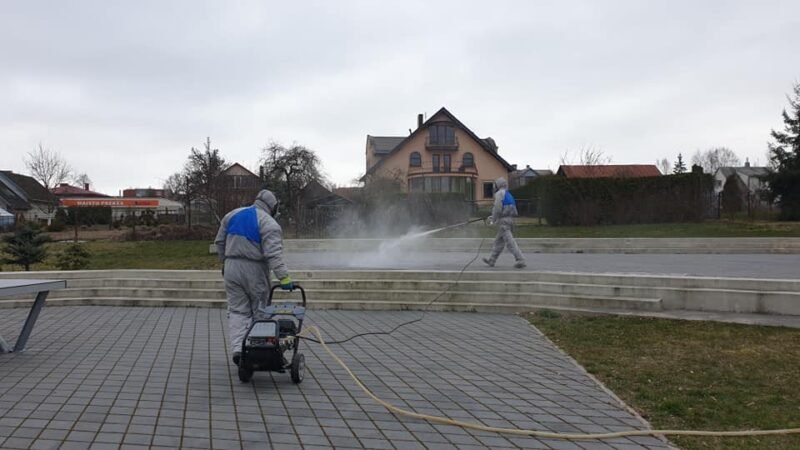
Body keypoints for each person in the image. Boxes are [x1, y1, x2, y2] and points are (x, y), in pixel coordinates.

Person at [215, 189, 294, 366]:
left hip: (231, 267)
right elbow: (274, 254)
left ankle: (238, 350)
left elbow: (219, 242)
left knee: (237, 311)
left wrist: (224, 261)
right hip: (255, 270)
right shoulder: (269, 223)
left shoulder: (232, 215)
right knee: (260, 311)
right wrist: (284, 278)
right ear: (273, 207)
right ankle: (258, 350)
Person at [483, 177, 526, 269]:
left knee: (510, 242)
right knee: (498, 242)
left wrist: (493, 219)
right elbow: (513, 209)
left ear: (498, 185)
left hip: (503, 222)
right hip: (509, 220)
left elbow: (497, 208)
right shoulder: (508, 194)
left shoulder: (499, 194)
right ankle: (492, 260)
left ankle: (520, 260)